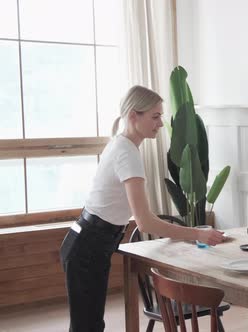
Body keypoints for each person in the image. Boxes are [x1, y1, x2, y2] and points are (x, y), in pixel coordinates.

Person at [59, 85, 224, 332]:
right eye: (155, 116)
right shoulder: (126, 152)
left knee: (89, 325)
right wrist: (198, 234)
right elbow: (145, 222)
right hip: (88, 247)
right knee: (88, 327)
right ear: (134, 116)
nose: (160, 123)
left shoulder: (122, 145)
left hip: (88, 242)